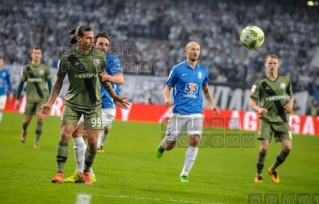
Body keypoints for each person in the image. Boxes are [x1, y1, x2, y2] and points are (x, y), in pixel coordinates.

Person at [38, 25, 129, 185]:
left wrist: (114, 96)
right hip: (73, 103)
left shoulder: (100, 58)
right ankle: (60, 173)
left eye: (93, 38)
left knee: (93, 142)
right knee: (66, 134)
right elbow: (58, 83)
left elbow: (104, 79)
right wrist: (50, 103)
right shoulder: (67, 58)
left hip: (94, 105)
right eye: (89, 38)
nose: (92, 41)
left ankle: (86, 171)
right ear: (79, 39)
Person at [155, 41, 220, 183]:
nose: (195, 52)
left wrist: (213, 105)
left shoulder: (203, 70)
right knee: (169, 145)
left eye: (198, 49)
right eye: (192, 49)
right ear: (186, 51)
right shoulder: (177, 69)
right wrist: (166, 98)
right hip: (178, 113)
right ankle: (162, 146)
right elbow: (167, 88)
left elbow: (206, 90)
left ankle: (185, 173)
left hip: (196, 112)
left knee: (195, 139)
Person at [63, 32, 124, 183]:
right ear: (94, 44)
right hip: (90, 107)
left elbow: (120, 79)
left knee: (79, 133)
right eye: (101, 44)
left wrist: (107, 77)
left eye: (106, 45)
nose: (104, 47)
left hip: (105, 108)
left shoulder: (111, 61)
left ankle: (85, 173)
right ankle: (83, 173)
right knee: (78, 135)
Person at [249, 54, 294, 184]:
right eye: (270, 63)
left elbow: (291, 96)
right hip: (266, 118)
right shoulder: (259, 83)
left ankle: (273, 169)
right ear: (265, 65)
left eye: (274, 63)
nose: (272, 65)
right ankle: (258, 174)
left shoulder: (285, 80)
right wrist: (258, 109)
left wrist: (291, 103)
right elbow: (251, 103)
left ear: (278, 65)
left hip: (281, 118)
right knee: (264, 148)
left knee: (288, 148)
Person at [15, 47, 52, 148]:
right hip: (30, 98)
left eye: (38, 53)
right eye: (35, 53)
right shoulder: (26, 68)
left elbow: (49, 84)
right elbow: (21, 84)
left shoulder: (45, 69)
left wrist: (50, 98)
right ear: (32, 55)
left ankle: (36, 142)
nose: (36, 55)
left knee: (40, 118)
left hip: (41, 97)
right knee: (26, 120)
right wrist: (17, 99)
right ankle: (24, 130)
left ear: (41, 55)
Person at [0, 56, 14, 123]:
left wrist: (11, 92)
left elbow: (9, 83)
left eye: (1, 61)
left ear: (3, 62)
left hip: (3, 94)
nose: (0, 62)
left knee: (1, 110)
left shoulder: (6, 72)